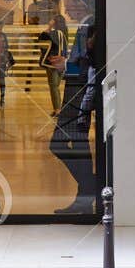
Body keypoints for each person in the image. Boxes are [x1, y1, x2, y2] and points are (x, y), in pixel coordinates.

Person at [49, 17, 100, 216]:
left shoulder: (92, 23)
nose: (69, 8)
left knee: (58, 143)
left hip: (81, 96)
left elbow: (90, 66)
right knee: (80, 145)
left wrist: (66, 66)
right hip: (76, 93)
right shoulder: (86, 23)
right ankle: (86, 198)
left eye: (70, 2)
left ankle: (91, 187)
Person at [37, 16, 66, 113]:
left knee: (53, 86)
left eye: (52, 19)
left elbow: (41, 39)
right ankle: (58, 108)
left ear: (55, 22)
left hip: (52, 63)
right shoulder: (64, 31)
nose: (50, 20)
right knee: (55, 86)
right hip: (61, 62)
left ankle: (57, 109)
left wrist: (49, 27)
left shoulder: (55, 33)